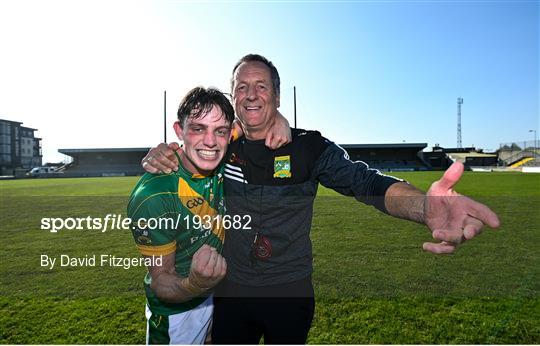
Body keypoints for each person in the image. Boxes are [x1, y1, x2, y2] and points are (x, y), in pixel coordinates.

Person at [141, 54, 500, 344]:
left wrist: (424, 207)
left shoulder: (309, 148)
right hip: (232, 292)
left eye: (261, 86)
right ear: (233, 97)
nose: (251, 94)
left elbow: (366, 181)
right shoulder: (221, 145)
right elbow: (189, 149)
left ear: (277, 97)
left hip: (290, 293)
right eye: (242, 87)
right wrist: (165, 153)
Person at [127, 86, 291, 344]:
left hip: (224, 296)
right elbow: (161, 281)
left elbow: (249, 122)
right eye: (198, 129)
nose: (211, 141)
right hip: (179, 314)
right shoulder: (154, 196)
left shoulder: (222, 154)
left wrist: (279, 119)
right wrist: (194, 285)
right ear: (179, 131)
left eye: (220, 131)